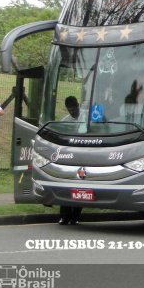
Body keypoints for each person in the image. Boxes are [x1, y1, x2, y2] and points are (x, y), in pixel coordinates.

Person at [59, 95, 83, 225]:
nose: (72, 112)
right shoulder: (65, 121)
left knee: (80, 185)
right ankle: (64, 215)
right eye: (69, 110)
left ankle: (76, 216)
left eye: (74, 109)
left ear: (78, 106)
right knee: (67, 185)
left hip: (83, 155)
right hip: (70, 155)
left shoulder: (86, 117)